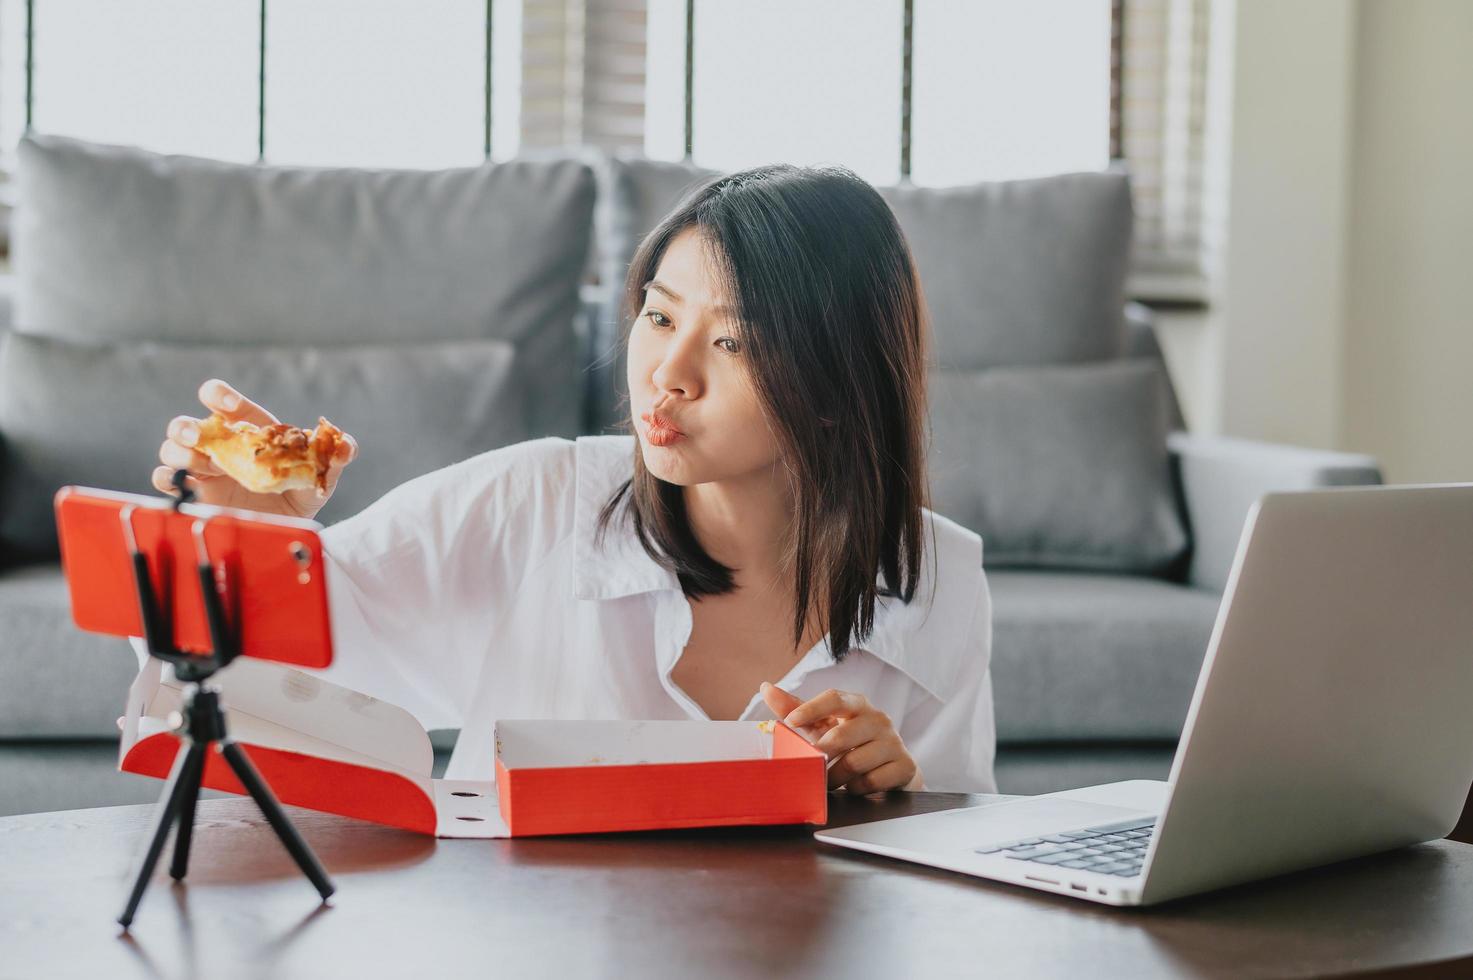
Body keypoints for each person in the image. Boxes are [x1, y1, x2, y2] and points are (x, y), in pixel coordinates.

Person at [151, 164, 997, 794]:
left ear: (836, 384)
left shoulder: (940, 577)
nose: (668, 374)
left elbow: (958, 891)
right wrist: (247, 535)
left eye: (732, 343)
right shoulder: (537, 499)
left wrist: (894, 793)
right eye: (659, 316)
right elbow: (263, 682)